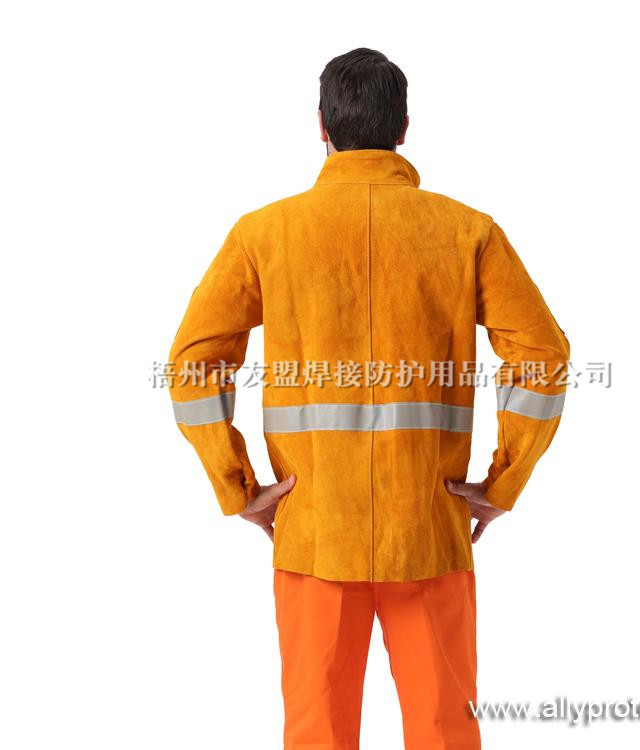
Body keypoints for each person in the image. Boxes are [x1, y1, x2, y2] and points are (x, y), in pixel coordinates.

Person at [168, 47, 570, 750]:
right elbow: (543, 359)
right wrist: (501, 484)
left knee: (318, 736)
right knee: (445, 733)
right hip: (431, 530)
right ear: (404, 128)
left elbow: (193, 364)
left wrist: (240, 488)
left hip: (314, 535)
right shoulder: (466, 232)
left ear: (321, 126)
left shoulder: (266, 233)